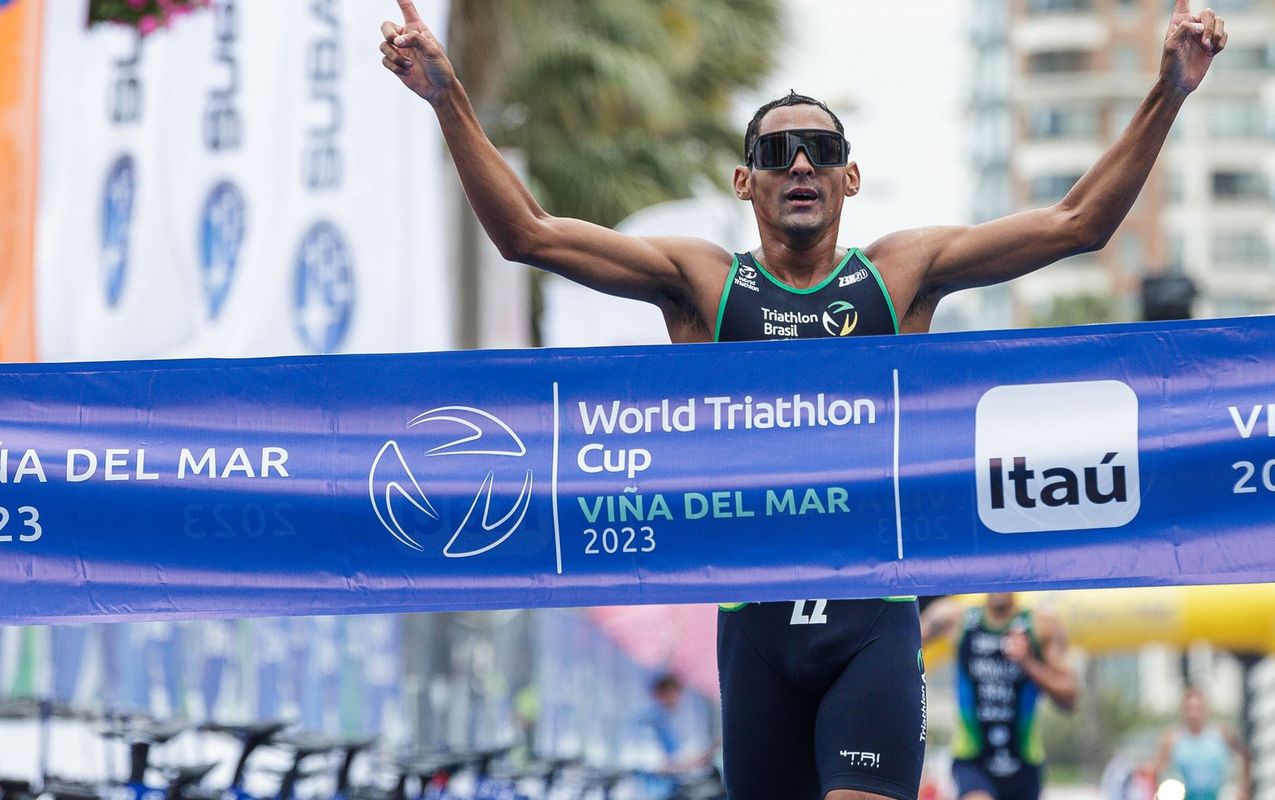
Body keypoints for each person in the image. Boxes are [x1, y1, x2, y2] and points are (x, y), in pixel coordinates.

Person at [378, 1, 1227, 796]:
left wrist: (1168, 91)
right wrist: (449, 97)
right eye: (776, 154)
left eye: (819, 150)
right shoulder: (703, 284)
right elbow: (527, 234)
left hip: (872, 620)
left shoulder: (899, 275)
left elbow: (1079, 222)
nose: (799, 167)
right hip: (755, 628)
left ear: (850, 178)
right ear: (744, 182)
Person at [921, 594, 1078, 800]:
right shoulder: (957, 618)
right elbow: (901, 643)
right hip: (972, 757)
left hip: (1024, 760)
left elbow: (1070, 697)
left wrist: (1027, 662)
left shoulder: (1040, 625)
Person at [1153, 687, 1253, 800]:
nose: (1194, 714)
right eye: (1189, 709)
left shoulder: (1220, 735)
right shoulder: (1173, 739)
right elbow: (1157, 771)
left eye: (1198, 709)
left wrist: (1244, 790)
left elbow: (1246, 757)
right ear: (1183, 711)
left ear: (1205, 710)